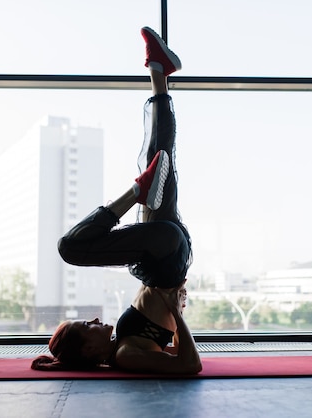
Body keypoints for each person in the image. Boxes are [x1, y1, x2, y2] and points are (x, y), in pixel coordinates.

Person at [31, 27, 202, 375]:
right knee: (70, 249)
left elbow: (174, 349)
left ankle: (159, 71)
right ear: (91, 350)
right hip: (164, 262)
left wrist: (174, 311)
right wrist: (176, 311)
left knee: (161, 153)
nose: (94, 319)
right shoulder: (125, 354)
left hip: (164, 254)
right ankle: (137, 190)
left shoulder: (123, 342)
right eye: (87, 327)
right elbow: (190, 365)